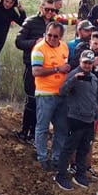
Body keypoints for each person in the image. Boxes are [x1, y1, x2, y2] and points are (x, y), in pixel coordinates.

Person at [53, 50, 98, 191]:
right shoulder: (74, 74)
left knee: (84, 148)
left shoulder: (93, 78)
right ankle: (60, 175)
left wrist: (97, 116)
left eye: (90, 63)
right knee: (69, 148)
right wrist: (74, 79)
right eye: (85, 62)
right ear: (80, 62)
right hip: (75, 118)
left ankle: (80, 174)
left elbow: (93, 100)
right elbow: (62, 91)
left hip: (89, 119)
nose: (87, 65)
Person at [14, 0, 60, 141]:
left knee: (42, 101)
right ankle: (24, 131)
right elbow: (18, 41)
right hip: (32, 65)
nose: (50, 12)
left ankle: (35, 133)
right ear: (41, 8)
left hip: (48, 69)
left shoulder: (55, 25)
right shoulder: (31, 22)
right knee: (31, 99)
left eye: (53, 10)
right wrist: (35, 42)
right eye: (47, 9)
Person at [31, 21, 70, 171]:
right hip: (45, 93)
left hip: (61, 94)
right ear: (45, 34)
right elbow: (36, 71)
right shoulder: (39, 49)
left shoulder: (64, 47)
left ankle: (57, 158)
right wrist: (57, 69)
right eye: (50, 35)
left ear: (61, 36)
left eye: (56, 36)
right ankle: (42, 157)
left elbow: (66, 66)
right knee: (42, 127)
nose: (52, 38)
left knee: (61, 128)